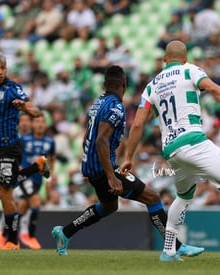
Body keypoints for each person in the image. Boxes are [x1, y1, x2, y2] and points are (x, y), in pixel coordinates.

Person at [121, 41, 220, 263]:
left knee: (184, 196)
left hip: (171, 151)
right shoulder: (190, 70)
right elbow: (213, 89)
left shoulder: (151, 86)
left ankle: (168, 251)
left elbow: (138, 124)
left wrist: (129, 157)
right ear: (185, 58)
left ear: (164, 60)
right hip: (193, 141)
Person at [51, 65, 203, 257]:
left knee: (109, 206)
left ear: (105, 84)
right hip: (102, 168)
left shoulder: (98, 103)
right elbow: (100, 140)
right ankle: (175, 247)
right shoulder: (115, 106)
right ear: (124, 84)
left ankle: (65, 232)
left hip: (93, 167)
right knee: (152, 197)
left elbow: (87, 139)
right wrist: (110, 176)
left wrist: (89, 165)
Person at [0, 50, 49, 250]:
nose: (0, 72)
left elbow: (35, 110)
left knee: (7, 192)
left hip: (9, 146)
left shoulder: (12, 89)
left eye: (3, 68)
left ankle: (12, 240)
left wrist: (24, 108)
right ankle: (37, 166)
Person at [18, 115, 55, 249]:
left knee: (23, 206)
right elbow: (16, 154)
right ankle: (31, 237)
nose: (40, 124)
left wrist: (50, 175)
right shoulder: (24, 139)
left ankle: (7, 233)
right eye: (37, 122)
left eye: (42, 122)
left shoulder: (50, 141)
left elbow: (52, 158)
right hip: (26, 177)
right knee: (36, 202)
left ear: (45, 125)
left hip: (38, 179)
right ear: (32, 124)